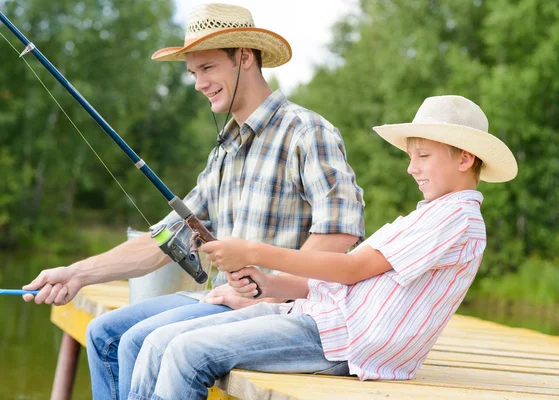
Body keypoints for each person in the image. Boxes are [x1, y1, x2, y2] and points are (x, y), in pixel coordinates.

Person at [22, 3, 365, 399]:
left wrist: (271, 287)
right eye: (192, 73)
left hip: (280, 310)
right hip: (221, 298)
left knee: (136, 343)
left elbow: (340, 232)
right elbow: (167, 239)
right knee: (104, 333)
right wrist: (77, 273)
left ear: (245, 58)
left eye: (207, 68)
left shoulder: (306, 131)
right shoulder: (224, 150)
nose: (199, 83)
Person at [126, 95, 518, 400]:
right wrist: (270, 285)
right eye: (411, 156)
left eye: (424, 156)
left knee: (186, 352)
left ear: (465, 158)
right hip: (321, 320)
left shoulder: (458, 219)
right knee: (160, 341)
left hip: (344, 342)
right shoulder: (428, 215)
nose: (411, 167)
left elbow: (351, 269)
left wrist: (252, 251)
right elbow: (345, 281)